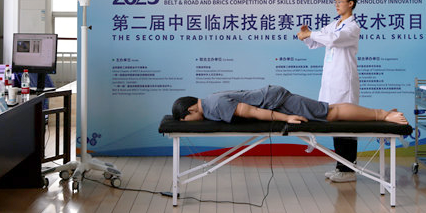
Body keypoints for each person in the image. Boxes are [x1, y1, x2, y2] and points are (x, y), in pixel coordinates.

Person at [297, 0, 361, 183]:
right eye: (335, 2)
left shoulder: (352, 27)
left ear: (350, 4)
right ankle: (341, 167)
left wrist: (311, 34)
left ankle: (349, 169)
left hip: (344, 82)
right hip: (331, 82)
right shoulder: (334, 24)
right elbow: (316, 41)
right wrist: (306, 35)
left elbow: (333, 40)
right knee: (334, 123)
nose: (336, 5)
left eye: (339, 1)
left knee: (345, 125)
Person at [172, 85, 406, 125]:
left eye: (186, 120)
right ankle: (383, 113)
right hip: (274, 98)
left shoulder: (214, 105)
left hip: (279, 102)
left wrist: (286, 118)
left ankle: (383, 115)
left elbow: (251, 111)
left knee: (330, 113)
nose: (189, 123)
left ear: (191, 109)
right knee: (329, 111)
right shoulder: (210, 103)